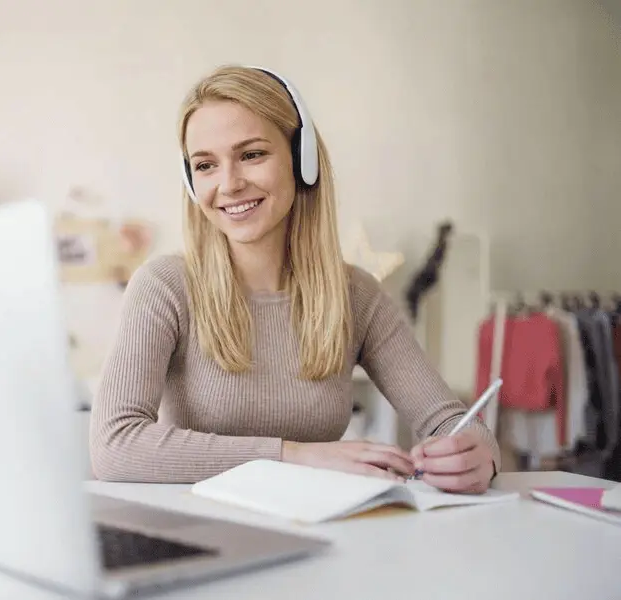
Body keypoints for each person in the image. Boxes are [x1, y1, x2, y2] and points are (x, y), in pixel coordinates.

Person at [89, 65, 500, 493]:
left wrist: (478, 454)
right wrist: (295, 455)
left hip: (322, 526)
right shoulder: (165, 285)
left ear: (300, 159)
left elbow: (450, 420)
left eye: (251, 155)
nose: (228, 184)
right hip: (207, 533)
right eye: (206, 165)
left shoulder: (356, 295)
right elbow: (114, 445)